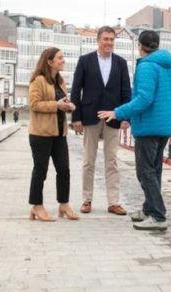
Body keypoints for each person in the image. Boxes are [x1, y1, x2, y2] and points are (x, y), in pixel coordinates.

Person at [99, 30, 171, 231]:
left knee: (145, 172)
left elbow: (144, 99)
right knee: (154, 170)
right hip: (164, 126)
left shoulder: (146, 66)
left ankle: (158, 217)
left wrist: (118, 112)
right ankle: (149, 209)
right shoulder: (168, 65)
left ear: (140, 46)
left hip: (149, 126)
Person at [70, 26, 132, 215]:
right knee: (89, 160)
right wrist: (76, 117)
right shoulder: (85, 61)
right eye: (105, 39)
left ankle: (113, 202)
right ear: (98, 40)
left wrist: (124, 116)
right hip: (90, 116)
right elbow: (75, 90)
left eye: (112, 39)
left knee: (111, 161)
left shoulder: (121, 63)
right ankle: (86, 200)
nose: (109, 43)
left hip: (113, 118)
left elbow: (126, 92)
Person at [28, 47, 79, 222]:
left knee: (64, 170)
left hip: (59, 133)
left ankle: (63, 204)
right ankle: (37, 206)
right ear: (49, 61)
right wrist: (56, 105)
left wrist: (69, 105)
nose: (63, 61)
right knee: (40, 170)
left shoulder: (60, 81)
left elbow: (61, 102)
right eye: (60, 58)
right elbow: (34, 104)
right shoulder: (38, 80)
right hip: (41, 133)